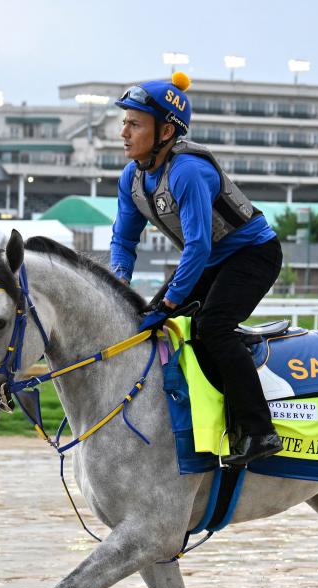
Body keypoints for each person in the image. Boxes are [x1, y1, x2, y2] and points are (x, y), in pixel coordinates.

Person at [109, 71, 283, 466]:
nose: (124, 132)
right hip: (210, 259)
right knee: (143, 325)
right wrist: (118, 283)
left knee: (211, 328)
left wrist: (169, 302)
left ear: (166, 131)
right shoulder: (130, 177)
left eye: (134, 123)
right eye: (124, 122)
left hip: (252, 255)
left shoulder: (188, 171)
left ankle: (258, 431)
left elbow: (199, 246)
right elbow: (123, 240)